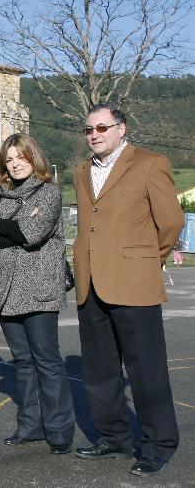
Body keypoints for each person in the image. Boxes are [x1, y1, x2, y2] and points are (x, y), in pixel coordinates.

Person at [72, 104, 184, 476]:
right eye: (89, 129)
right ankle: (113, 437)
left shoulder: (150, 163)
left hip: (134, 282)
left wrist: (149, 258)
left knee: (146, 370)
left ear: (122, 128)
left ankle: (158, 444)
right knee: (100, 370)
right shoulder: (83, 171)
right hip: (92, 284)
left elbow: (170, 222)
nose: (95, 134)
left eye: (102, 127)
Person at [0, 133, 75, 455]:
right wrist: (8, 225)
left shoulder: (49, 192)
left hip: (38, 287)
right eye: (10, 159)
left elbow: (31, 235)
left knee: (47, 360)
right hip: (5, 288)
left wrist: (0, 224)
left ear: (34, 157)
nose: (16, 164)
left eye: (21, 157)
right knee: (22, 361)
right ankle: (29, 426)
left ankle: (59, 432)